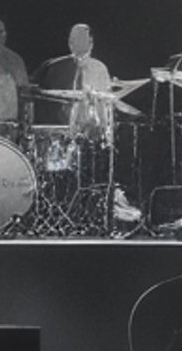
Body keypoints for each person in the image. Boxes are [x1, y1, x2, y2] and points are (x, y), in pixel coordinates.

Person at [35, 23, 139, 224]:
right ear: (69, 42)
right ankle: (59, 213)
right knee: (58, 177)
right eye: (73, 38)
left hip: (90, 132)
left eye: (82, 38)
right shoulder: (55, 67)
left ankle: (91, 214)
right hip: (61, 132)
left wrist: (102, 132)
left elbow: (107, 104)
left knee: (90, 175)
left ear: (91, 42)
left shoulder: (99, 68)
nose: (76, 42)